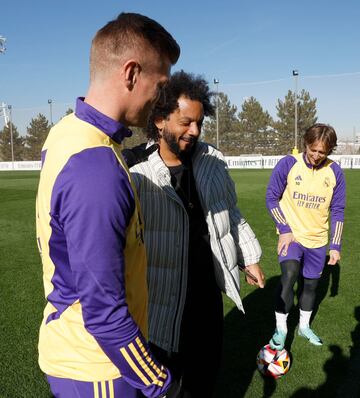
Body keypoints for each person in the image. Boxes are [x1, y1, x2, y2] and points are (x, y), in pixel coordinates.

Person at [35, 13, 181, 398]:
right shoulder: (95, 166)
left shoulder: (66, 131)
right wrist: (160, 384)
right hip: (97, 368)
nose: (162, 100)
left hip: (76, 349)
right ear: (131, 74)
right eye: (160, 85)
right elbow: (104, 312)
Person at [126, 70, 265, 397]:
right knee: (167, 387)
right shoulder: (137, 171)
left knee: (204, 380)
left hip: (207, 299)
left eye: (199, 122)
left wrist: (249, 257)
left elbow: (229, 209)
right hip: (160, 300)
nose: (195, 131)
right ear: (160, 120)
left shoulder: (211, 160)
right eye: (186, 122)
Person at [266, 123, 345, 350]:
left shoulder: (335, 172)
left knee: (310, 286)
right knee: (289, 275)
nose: (317, 156)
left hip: (318, 241)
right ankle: (281, 329)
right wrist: (284, 229)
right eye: (313, 150)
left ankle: (303, 326)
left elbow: (338, 210)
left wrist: (335, 245)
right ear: (306, 144)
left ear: (329, 151)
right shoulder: (289, 164)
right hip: (292, 237)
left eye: (323, 152)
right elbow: (271, 197)